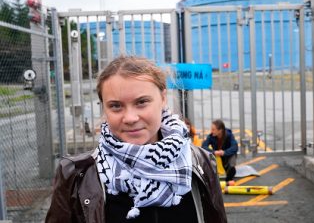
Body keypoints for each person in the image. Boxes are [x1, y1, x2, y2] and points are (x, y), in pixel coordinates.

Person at [46, 56, 227, 223]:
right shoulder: (76, 174)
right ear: (104, 108)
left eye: (141, 102)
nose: (130, 118)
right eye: (116, 106)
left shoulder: (200, 163)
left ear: (163, 99)